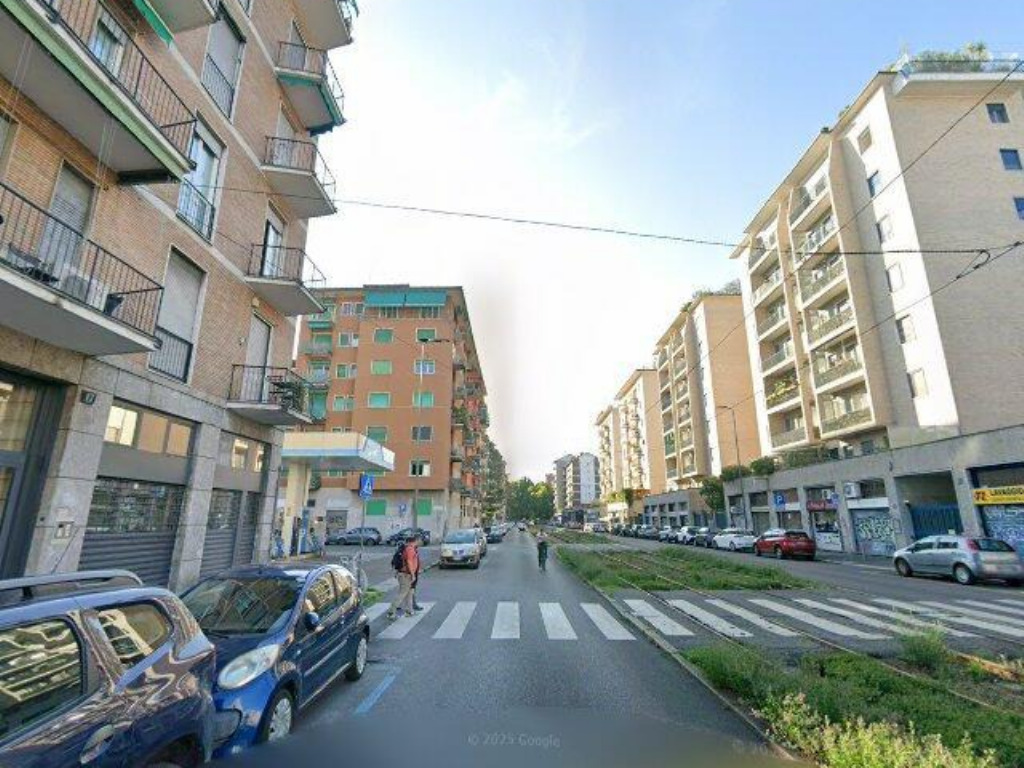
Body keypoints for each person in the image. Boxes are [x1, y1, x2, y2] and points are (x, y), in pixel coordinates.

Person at [387, 532, 421, 620]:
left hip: (405, 574)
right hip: (406, 575)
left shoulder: (408, 548)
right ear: (414, 541)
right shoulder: (410, 549)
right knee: (402, 593)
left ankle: (409, 611)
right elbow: (409, 561)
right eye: (418, 541)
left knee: (409, 593)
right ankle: (391, 612)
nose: (419, 542)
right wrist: (413, 574)